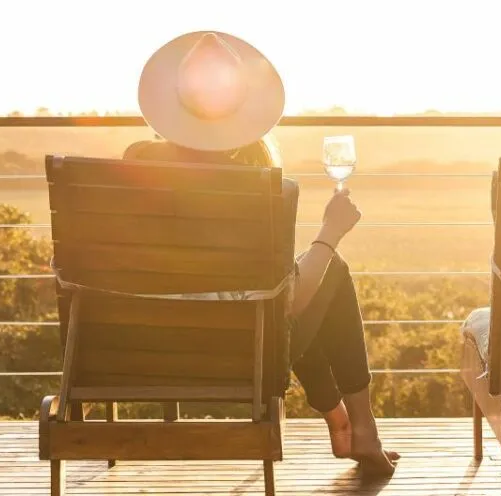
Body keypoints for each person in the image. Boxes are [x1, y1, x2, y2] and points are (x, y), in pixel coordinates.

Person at [130, 31, 398, 475]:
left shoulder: (132, 169)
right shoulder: (255, 190)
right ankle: (360, 428)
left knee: (298, 288)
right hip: (241, 357)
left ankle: (340, 421)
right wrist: (331, 231)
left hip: (138, 350)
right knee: (325, 272)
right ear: (240, 117)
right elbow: (289, 301)